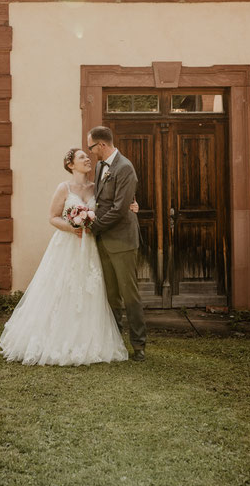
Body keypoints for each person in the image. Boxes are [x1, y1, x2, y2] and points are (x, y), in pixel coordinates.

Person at [0, 147, 130, 366]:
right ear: (71, 164)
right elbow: (52, 217)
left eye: (88, 157)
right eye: (82, 157)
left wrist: (131, 205)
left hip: (90, 247)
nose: (87, 160)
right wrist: (71, 227)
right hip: (67, 244)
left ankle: (89, 338)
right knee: (62, 288)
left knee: (90, 289)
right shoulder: (64, 188)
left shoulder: (97, 188)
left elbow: (113, 206)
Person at [87, 126, 147, 362]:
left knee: (129, 295)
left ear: (101, 145)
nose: (90, 152)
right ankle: (114, 343)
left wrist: (93, 227)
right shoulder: (101, 166)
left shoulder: (125, 168)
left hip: (122, 240)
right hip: (104, 241)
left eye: (92, 147)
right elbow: (101, 201)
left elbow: (120, 209)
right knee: (111, 295)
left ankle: (139, 345)